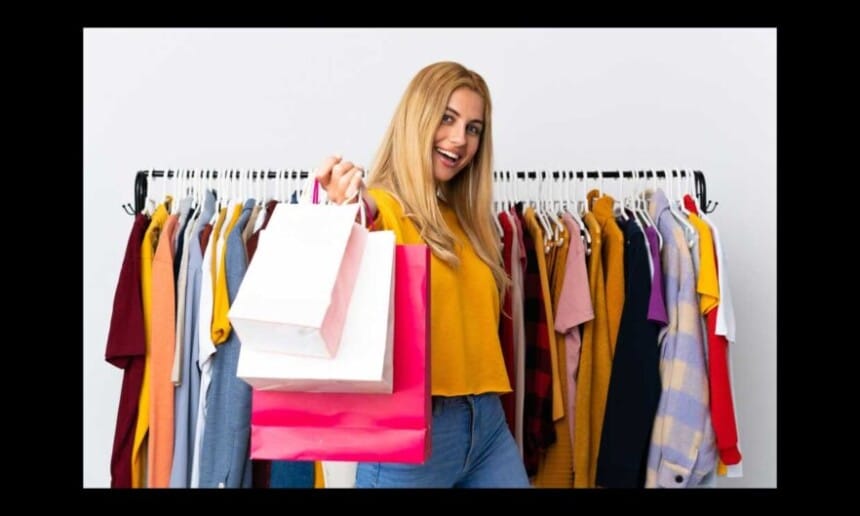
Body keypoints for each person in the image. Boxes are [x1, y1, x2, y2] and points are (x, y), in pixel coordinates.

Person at [315, 61, 530, 488]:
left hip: (486, 425)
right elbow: (358, 226)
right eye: (447, 118)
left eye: (473, 128)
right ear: (417, 119)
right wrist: (341, 209)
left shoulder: (470, 222)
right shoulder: (384, 208)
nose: (460, 139)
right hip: (414, 435)